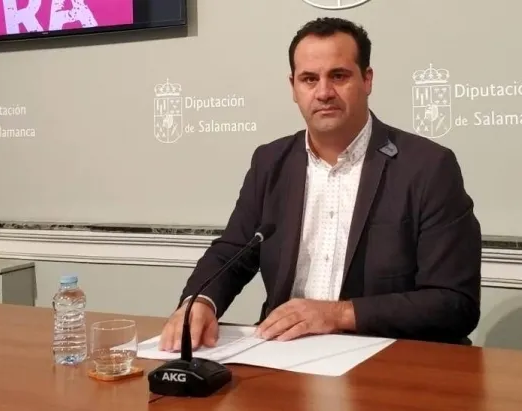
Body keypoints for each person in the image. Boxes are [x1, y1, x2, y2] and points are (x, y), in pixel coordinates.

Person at [158, 17, 482, 352]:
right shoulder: (270, 162)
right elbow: (232, 252)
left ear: (367, 79)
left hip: (387, 359)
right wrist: (200, 302)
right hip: (284, 355)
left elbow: (454, 303)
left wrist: (338, 314)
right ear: (293, 87)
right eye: (309, 79)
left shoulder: (428, 166)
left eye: (338, 76)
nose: (324, 92)